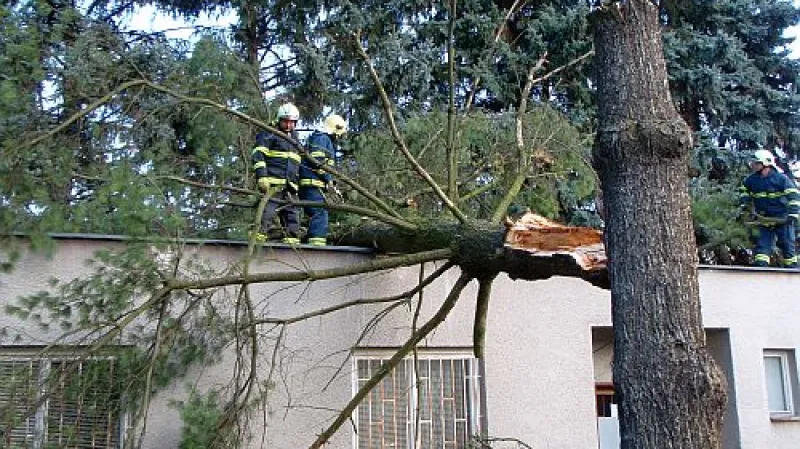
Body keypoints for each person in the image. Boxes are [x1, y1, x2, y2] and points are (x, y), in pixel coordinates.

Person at [739, 149, 800, 267]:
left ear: (765, 163)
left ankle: (793, 275)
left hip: (783, 220)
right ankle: (761, 274)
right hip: (764, 220)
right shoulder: (752, 180)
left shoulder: (781, 179)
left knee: (788, 248)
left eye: (756, 163)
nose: (753, 165)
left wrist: (793, 215)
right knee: (761, 251)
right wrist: (745, 203)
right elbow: (744, 190)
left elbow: (794, 197)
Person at [251, 102, 302, 245]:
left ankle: (291, 244)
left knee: (292, 216)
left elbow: (297, 162)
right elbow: (258, 155)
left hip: (290, 186)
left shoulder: (295, 139)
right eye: (286, 122)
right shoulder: (269, 133)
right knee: (266, 213)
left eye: (292, 122)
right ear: (279, 119)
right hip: (272, 183)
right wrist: (262, 176)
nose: (288, 126)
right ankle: (257, 242)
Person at [298, 114, 347, 246]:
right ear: (335, 130)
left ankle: (306, 238)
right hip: (312, 184)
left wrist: (331, 183)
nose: (340, 137)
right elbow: (318, 162)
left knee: (312, 215)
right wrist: (329, 181)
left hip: (312, 184)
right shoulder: (322, 139)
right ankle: (317, 247)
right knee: (320, 214)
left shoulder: (320, 139)